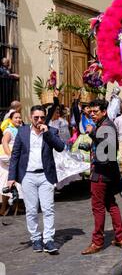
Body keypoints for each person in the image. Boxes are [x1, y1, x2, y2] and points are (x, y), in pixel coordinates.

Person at [7, 105, 65, 253]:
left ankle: (48, 240)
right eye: (36, 117)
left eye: (42, 117)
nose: (39, 120)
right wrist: (11, 177)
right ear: (30, 117)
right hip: (28, 176)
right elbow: (15, 155)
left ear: (45, 118)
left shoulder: (51, 131)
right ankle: (35, 238)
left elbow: (60, 147)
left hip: (46, 176)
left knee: (48, 209)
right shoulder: (22, 132)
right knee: (31, 210)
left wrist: (48, 134)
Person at [81, 99, 122, 255]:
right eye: (90, 112)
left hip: (101, 173)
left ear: (104, 112)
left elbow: (106, 146)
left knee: (98, 208)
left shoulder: (106, 126)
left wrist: (92, 133)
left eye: (95, 112)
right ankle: (120, 237)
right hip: (108, 172)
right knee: (111, 204)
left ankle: (97, 242)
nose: (92, 114)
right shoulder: (104, 125)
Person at [0, 111, 23, 215]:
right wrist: (11, 157)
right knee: (7, 183)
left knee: (14, 183)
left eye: (19, 117)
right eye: (16, 118)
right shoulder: (9, 130)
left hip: (14, 158)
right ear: (11, 119)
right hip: (8, 160)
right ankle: (4, 207)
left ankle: (14, 206)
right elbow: (4, 142)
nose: (18, 119)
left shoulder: (18, 129)